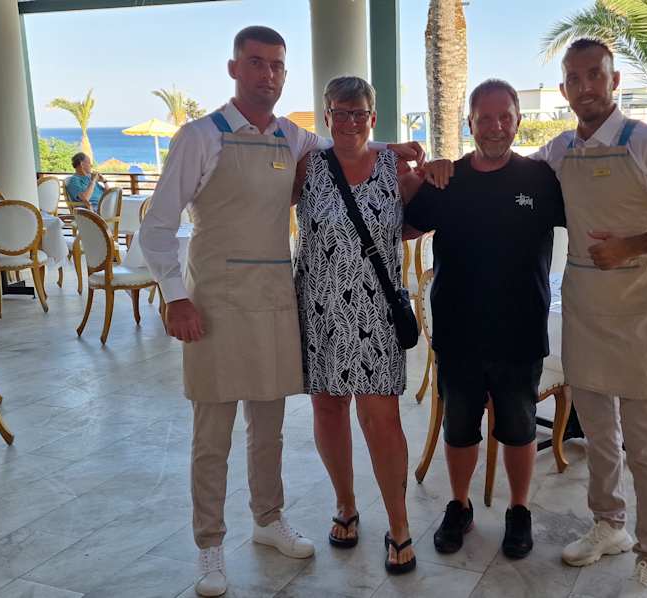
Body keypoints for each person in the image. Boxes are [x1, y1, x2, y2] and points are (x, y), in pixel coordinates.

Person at [137, 26, 423, 597]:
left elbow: (351, 144)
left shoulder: (293, 139)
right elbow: (157, 226)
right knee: (212, 433)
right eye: (255, 62)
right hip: (214, 301)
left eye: (276, 65)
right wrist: (175, 296)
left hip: (275, 302)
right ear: (234, 68)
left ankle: (268, 520)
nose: (267, 74)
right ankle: (210, 544)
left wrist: (397, 148)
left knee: (267, 428)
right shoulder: (199, 136)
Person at [533, 39, 647, 598]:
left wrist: (636, 245)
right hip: (584, 307)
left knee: (644, 445)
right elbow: (510, 180)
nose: (585, 86)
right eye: (574, 78)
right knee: (597, 434)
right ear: (564, 89)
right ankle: (609, 524)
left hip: (639, 310)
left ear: (614, 81)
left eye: (595, 75)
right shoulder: (560, 150)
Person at [404, 79, 564, 560]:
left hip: (520, 330)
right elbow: (404, 225)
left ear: (518, 121)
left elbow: (594, 214)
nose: (496, 127)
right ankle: (460, 505)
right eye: (485, 118)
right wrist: (418, 173)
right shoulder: (448, 179)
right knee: (458, 429)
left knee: (519, 428)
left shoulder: (540, 179)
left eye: (504, 117)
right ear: (470, 123)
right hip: (459, 331)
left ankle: (519, 509)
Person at [291, 75, 425, 575]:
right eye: (340, 112)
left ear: (373, 117)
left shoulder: (395, 168)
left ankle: (399, 524)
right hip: (319, 310)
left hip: (375, 314)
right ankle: (345, 505)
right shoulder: (308, 166)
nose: (350, 122)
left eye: (359, 113)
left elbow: (417, 221)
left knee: (381, 420)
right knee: (328, 409)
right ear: (327, 116)